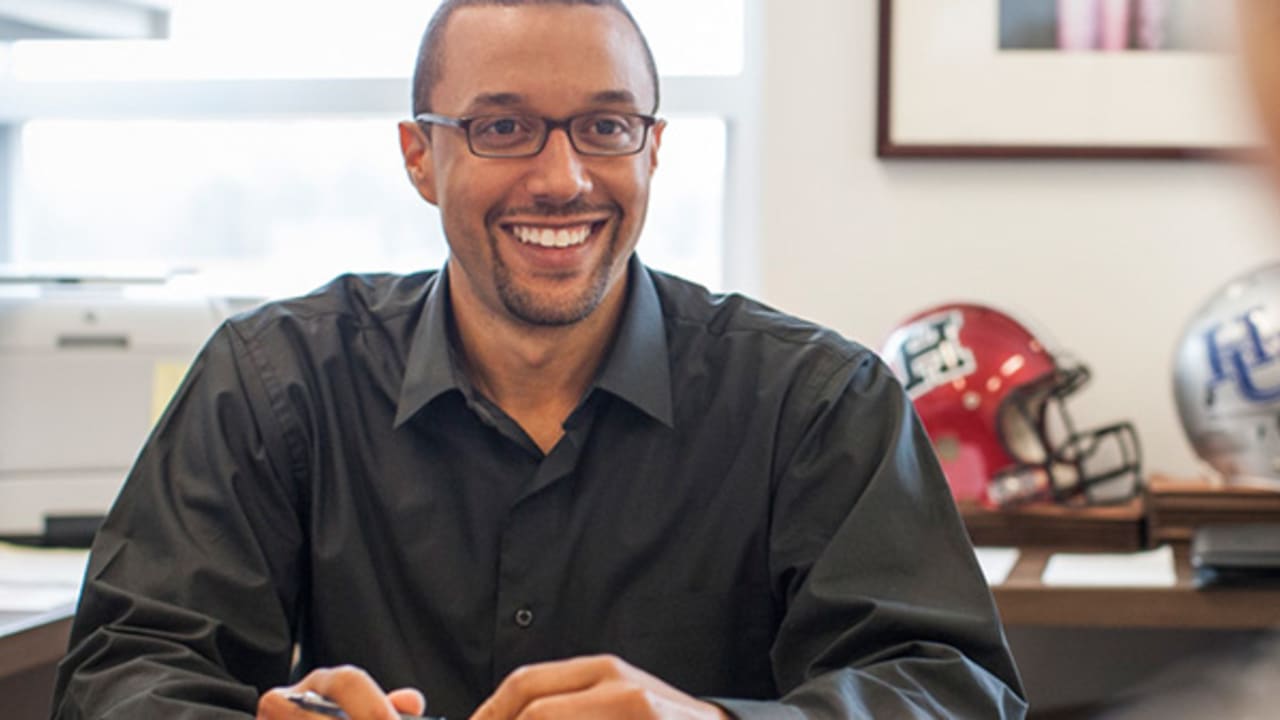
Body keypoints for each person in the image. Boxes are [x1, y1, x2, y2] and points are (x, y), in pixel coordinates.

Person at [51, 1, 1026, 718]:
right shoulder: (273, 384)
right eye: (501, 127)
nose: (560, 179)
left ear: (650, 151)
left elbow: (952, 693)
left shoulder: (815, 405)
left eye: (604, 127)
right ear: (419, 157)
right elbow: (123, 675)